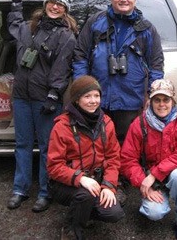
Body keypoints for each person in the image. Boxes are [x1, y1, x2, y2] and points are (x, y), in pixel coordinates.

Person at [72, 0, 164, 145]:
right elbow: (80, 55)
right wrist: (82, 89)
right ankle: (101, 175)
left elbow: (156, 64)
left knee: (127, 147)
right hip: (97, 99)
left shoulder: (146, 29)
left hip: (130, 99)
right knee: (97, 144)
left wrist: (153, 94)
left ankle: (124, 175)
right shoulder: (95, 22)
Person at [6, 0, 78, 212]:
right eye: (52, 2)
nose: (55, 6)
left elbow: (62, 68)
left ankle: (46, 192)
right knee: (23, 144)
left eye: (60, 4)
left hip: (44, 98)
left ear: (65, 9)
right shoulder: (29, 28)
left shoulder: (66, 35)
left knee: (48, 147)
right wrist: (16, 6)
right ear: (45, 4)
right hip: (21, 96)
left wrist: (54, 93)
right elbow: (14, 27)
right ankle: (20, 189)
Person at [47, 75, 125, 240]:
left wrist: (109, 186)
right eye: (87, 96)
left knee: (115, 213)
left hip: (96, 180)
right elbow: (54, 167)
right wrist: (80, 178)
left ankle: (83, 212)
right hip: (66, 184)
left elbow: (113, 158)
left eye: (96, 96)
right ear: (76, 100)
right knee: (85, 195)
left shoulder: (106, 123)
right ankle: (71, 230)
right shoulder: (62, 126)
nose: (93, 101)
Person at [121, 79, 177, 240]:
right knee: (153, 213)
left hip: (173, 173)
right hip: (152, 180)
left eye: (166, 100)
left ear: (173, 101)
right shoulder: (139, 124)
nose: (162, 104)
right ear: (150, 101)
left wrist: (154, 174)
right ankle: (162, 199)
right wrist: (144, 183)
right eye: (157, 100)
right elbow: (127, 160)